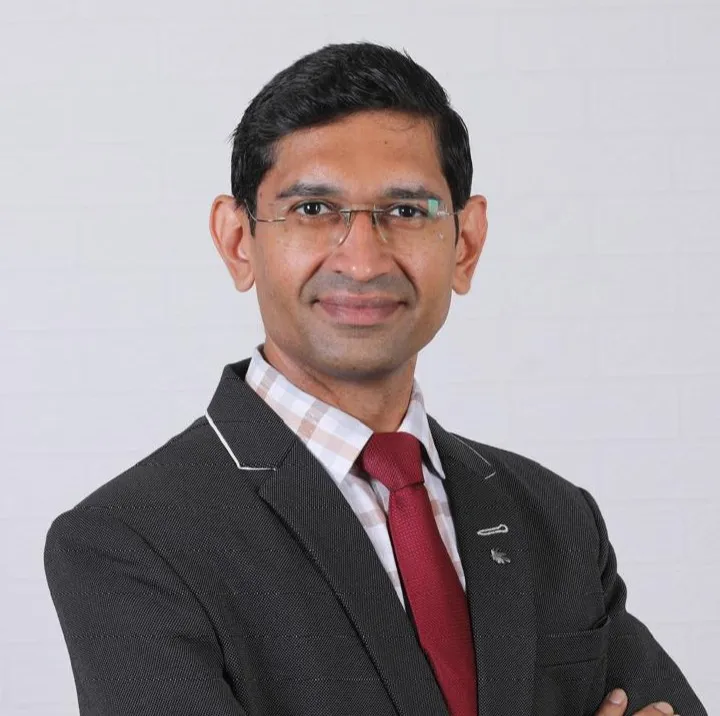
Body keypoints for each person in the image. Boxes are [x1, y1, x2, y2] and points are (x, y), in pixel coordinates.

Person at [44, 42, 707, 716]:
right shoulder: (131, 543)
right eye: (313, 210)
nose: (362, 262)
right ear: (239, 241)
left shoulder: (554, 516)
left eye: (406, 211)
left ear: (466, 243)